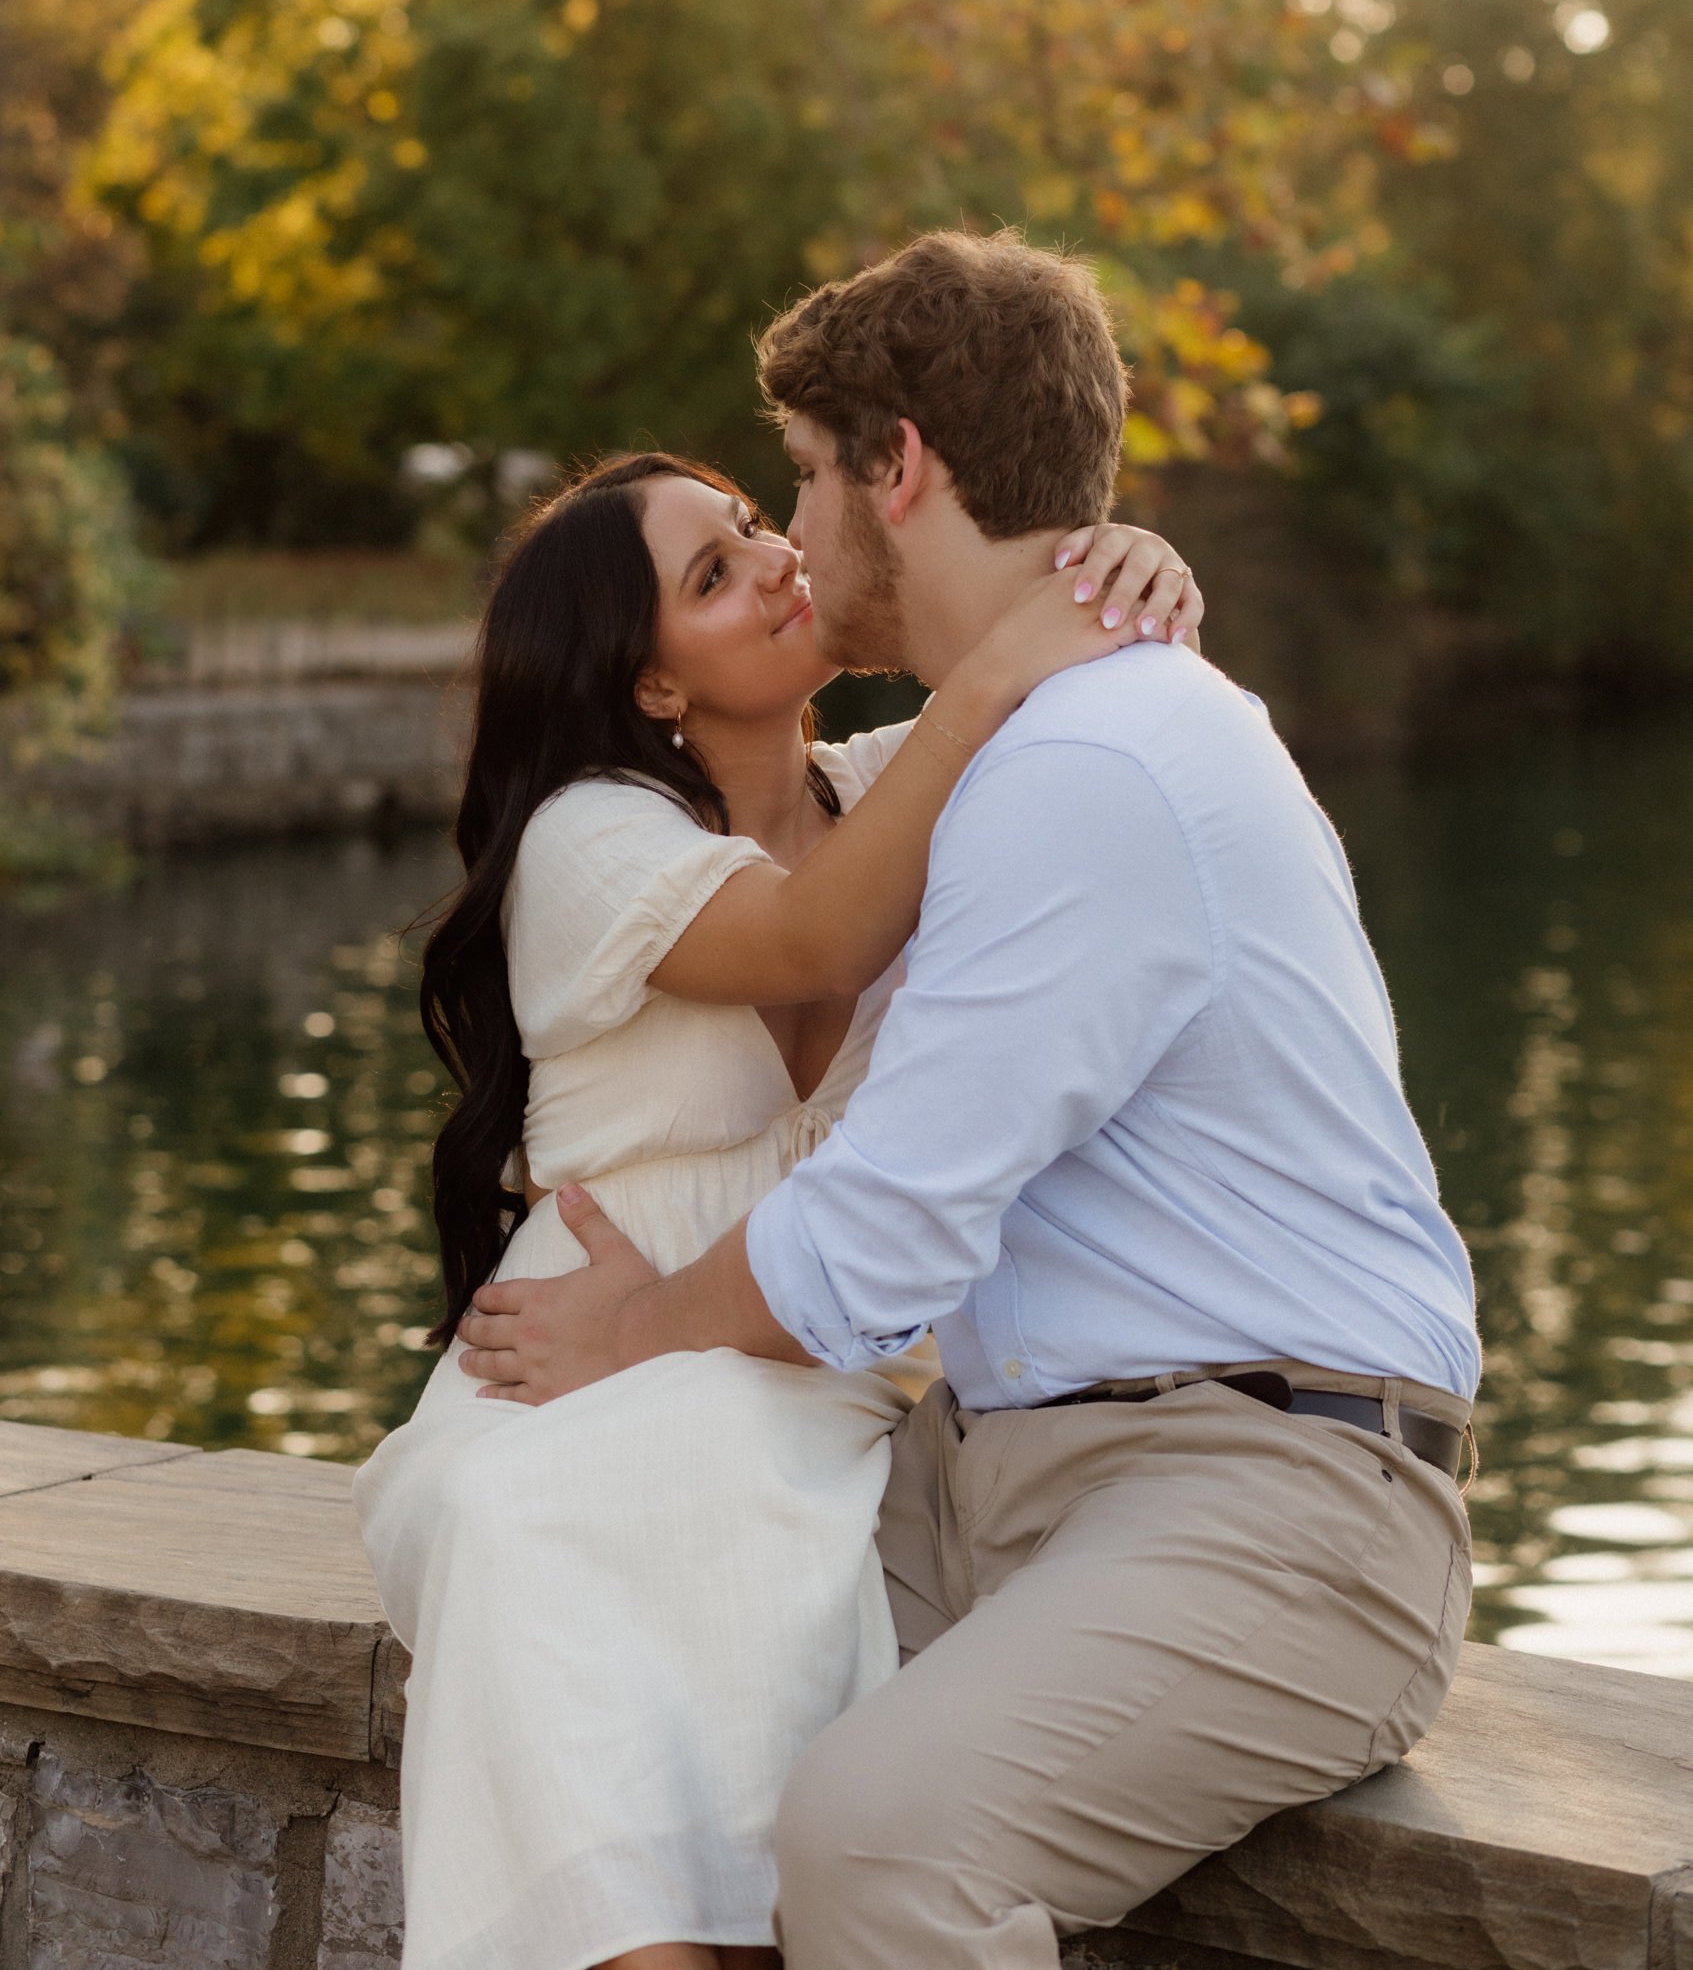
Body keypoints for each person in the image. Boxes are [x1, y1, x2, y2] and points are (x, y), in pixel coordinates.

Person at [460, 229, 1483, 1970]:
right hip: (1005, 1461)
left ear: (901, 467)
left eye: (797, 479)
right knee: (645, 1638)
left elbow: (873, 1246)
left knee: (871, 1844)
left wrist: (630, 1325)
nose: (792, 538)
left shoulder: (1084, 766)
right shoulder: (979, 756)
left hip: (1275, 1482)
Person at [353, 419, 1202, 1970]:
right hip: (589, 1336)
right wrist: (989, 679)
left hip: (819, 1345)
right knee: (511, 1514)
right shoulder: (589, 841)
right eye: (715, 570)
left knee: (732, 1554)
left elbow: (1122, 719)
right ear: (654, 682)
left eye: (756, 524)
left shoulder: (900, 780)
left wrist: (1138, 572)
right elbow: (809, 939)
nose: (778, 562)